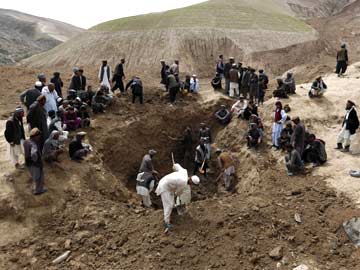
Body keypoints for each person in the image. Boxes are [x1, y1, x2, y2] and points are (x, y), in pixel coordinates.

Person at [155, 163, 200, 230]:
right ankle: (166, 223)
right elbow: (178, 193)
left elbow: (177, 166)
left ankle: (173, 210)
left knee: (171, 200)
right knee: (168, 205)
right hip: (165, 187)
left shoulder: (184, 172)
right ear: (191, 181)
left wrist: (174, 166)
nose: (191, 185)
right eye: (192, 184)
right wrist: (177, 196)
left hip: (167, 184)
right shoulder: (183, 183)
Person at [23, 128, 47, 195]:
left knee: (34, 176)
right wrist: (36, 161)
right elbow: (34, 154)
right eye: (38, 136)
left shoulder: (26, 141)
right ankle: (38, 190)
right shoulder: (33, 144)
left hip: (28, 163)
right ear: (35, 136)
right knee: (38, 177)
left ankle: (37, 188)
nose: (39, 137)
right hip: (35, 164)